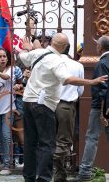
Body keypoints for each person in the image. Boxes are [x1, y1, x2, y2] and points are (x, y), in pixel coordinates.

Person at [19, 33, 107, 182]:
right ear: (65, 47)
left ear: (51, 42)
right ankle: (44, 179)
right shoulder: (57, 61)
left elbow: (23, 56)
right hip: (44, 104)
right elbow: (67, 79)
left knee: (30, 142)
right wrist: (91, 82)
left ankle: (29, 177)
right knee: (47, 143)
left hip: (28, 101)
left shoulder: (39, 52)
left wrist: (27, 49)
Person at [70, 36, 109, 182]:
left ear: (100, 47)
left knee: (92, 138)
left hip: (101, 106)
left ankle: (85, 172)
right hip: (105, 106)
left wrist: (102, 111)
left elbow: (103, 89)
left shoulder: (101, 63)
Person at [53, 44, 84, 182]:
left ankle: (54, 170)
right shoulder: (77, 66)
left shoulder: (51, 63)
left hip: (49, 104)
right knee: (64, 141)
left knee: (50, 139)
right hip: (66, 105)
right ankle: (59, 173)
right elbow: (80, 90)